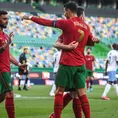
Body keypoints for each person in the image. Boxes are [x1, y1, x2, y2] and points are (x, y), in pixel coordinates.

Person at [22, 2, 99, 118]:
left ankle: (56, 116)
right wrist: (95, 40)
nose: (63, 13)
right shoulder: (86, 27)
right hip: (81, 64)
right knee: (80, 93)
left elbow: (46, 22)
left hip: (68, 62)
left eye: (64, 11)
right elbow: (90, 42)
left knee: (59, 91)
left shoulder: (67, 23)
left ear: (68, 10)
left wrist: (30, 17)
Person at [0, 10, 26, 118]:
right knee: (10, 93)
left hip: (7, 68)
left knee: (2, 96)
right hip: (1, 69)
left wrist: (19, 64)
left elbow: (8, 55)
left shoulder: (5, 36)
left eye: (7, 19)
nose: (7, 21)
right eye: (4, 19)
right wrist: (7, 44)